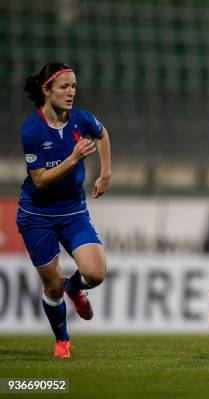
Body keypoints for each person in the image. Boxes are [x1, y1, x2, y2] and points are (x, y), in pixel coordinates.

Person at [17, 63, 112, 358]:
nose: (71, 93)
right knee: (52, 287)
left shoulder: (80, 120)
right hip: (37, 216)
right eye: (64, 87)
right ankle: (62, 341)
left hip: (73, 211)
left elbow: (102, 133)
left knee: (95, 274)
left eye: (74, 86)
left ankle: (76, 288)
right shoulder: (32, 130)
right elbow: (40, 180)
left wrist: (105, 172)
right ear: (47, 90)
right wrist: (73, 159)